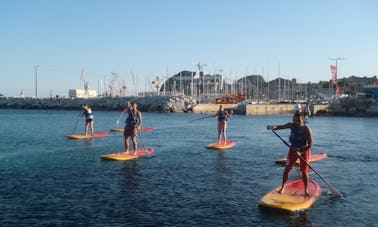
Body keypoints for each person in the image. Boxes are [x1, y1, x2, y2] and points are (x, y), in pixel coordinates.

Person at [267, 113, 313, 196]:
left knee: (304, 171)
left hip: (304, 150)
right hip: (292, 150)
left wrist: (301, 151)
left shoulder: (306, 129)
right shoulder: (291, 125)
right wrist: (272, 127)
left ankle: (306, 190)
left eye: (298, 120)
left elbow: (310, 145)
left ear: (303, 120)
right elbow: (279, 127)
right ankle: (283, 187)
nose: (296, 122)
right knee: (287, 169)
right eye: (294, 120)